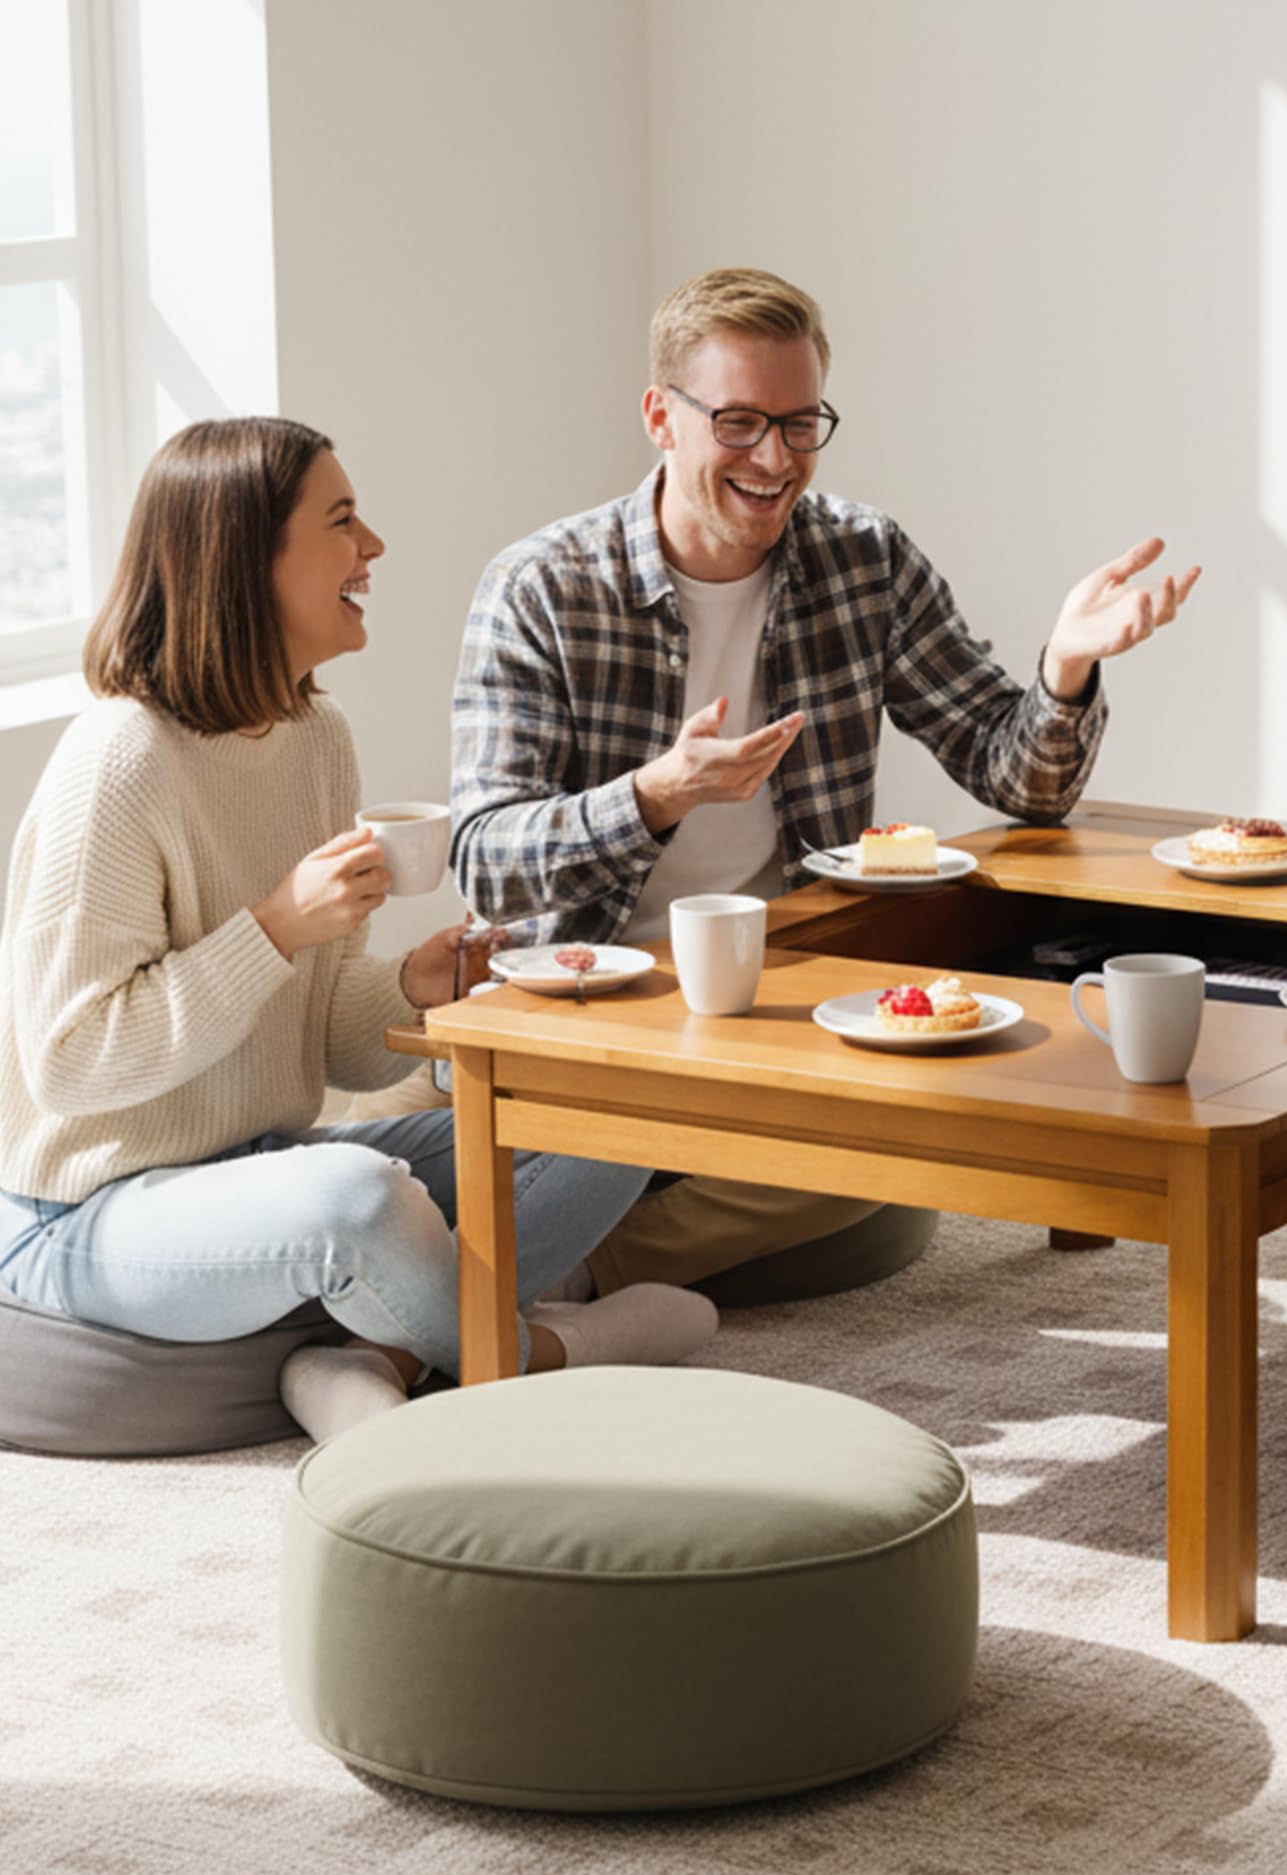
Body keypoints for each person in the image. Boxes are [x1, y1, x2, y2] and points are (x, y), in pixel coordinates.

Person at [451, 267, 1201, 1298]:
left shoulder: (861, 558)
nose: (774, 459)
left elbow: (1015, 776)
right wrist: (653, 795)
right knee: (870, 1193)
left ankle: (576, 1271)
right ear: (658, 418)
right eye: (741, 422)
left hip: (790, 996)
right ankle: (620, 1232)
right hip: (597, 1000)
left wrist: (1062, 671)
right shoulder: (542, 586)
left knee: (910, 1149)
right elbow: (484, 860)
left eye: (801, 425)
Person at [0, 418, 719, 1445]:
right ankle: (549, 1351)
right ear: (249, 558)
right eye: (341, 521)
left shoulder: (315, 737)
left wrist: (416, 984)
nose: (372, 545)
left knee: (610, 1113)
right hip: (85, 1216)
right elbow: (67, 1063)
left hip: (258, 1158)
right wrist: (275, 925)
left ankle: (374, 1355)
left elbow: (325, 1037)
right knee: (355, 1198)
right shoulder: (119, 761)